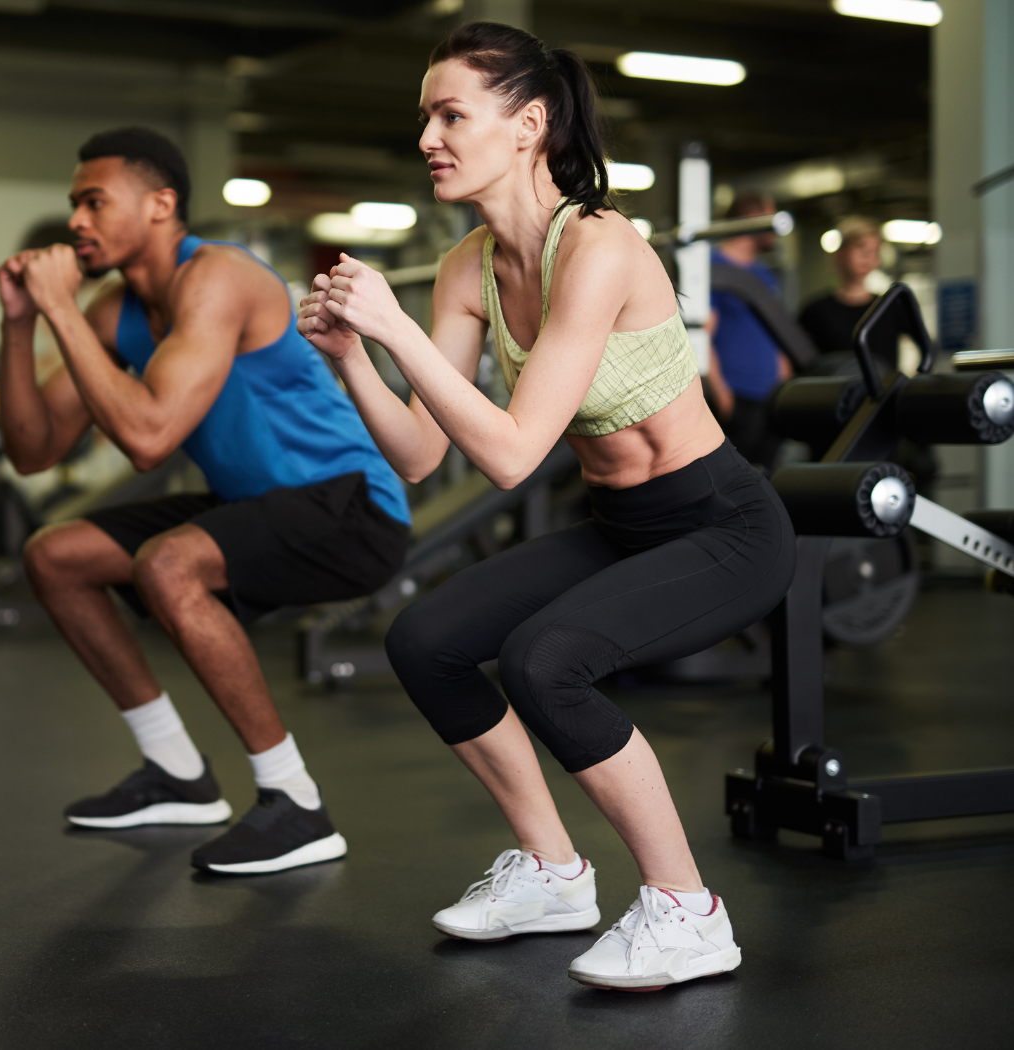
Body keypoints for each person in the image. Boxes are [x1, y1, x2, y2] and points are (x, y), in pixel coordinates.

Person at [297, 22, 795, 990]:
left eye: (451, 116)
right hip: (622, 526)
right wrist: (355, 358)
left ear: (528, 125)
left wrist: (395, 325)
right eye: (426, 118)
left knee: (545, 659)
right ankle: (554, 873)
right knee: (424, 640)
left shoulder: (600, 246)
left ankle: (688, 910)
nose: (428, 138)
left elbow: (514, 455)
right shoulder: (467, 268)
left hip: (724, 525)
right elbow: (420, 454)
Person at [0, 127, 411, 875]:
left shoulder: (220, 276)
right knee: (56, 556)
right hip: (250, 504)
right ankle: (176, 773)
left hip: (353, 507)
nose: (77, 222)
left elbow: (149, 438)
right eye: (75, 205)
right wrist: (21, 322)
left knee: (169, 564)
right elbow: (32, 452)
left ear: (160, 205)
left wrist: (60, 308)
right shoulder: (115, 312)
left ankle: (295, 804)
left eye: (95, 202)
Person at [703, 190, 793, 468]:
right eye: (769, 216)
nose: (775, 229)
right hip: (735, 395)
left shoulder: (765, 275)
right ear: (752, 217)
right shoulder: (713, 268)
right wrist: (720, 392)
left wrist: (784, 384)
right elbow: (703, 336)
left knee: (768, 476)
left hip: (771, 397)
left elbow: (777, 334)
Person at [798, 217, 910, 371]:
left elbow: (927, 346)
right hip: (837, 386)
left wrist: (914, 378)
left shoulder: (890, 306)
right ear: (841, 252)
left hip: (884, 386)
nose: (868, 257)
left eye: (874, 251)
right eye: (860, 247)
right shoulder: (815, 311)